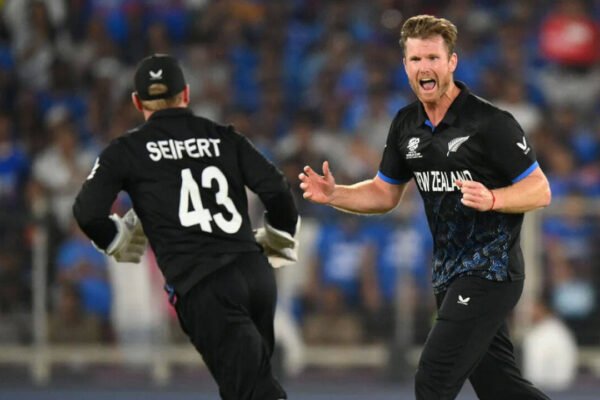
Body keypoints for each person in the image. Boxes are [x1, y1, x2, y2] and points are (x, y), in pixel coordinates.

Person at [299, 15, 552, 400]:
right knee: (499, 387)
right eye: (416, 59)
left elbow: (540, 190)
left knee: (433, 378)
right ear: (405, 66)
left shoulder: (490, 122)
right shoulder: (406, 124)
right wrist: (336, 194)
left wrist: (494, 198)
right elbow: (384, 194)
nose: (424, 67)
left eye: (433, 58)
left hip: (491, 272)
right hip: (448, 275)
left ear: (452, 62)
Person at [73, 54, 299, 400]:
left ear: (137, 102)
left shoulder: (127, 150)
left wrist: (119, 242)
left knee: (253, 391)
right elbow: (278, 190)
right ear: (186, 94)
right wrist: (278, 240)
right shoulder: (225, 137)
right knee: (248, 385)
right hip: (254, 276)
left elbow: (88, 213)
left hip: (204, 284)